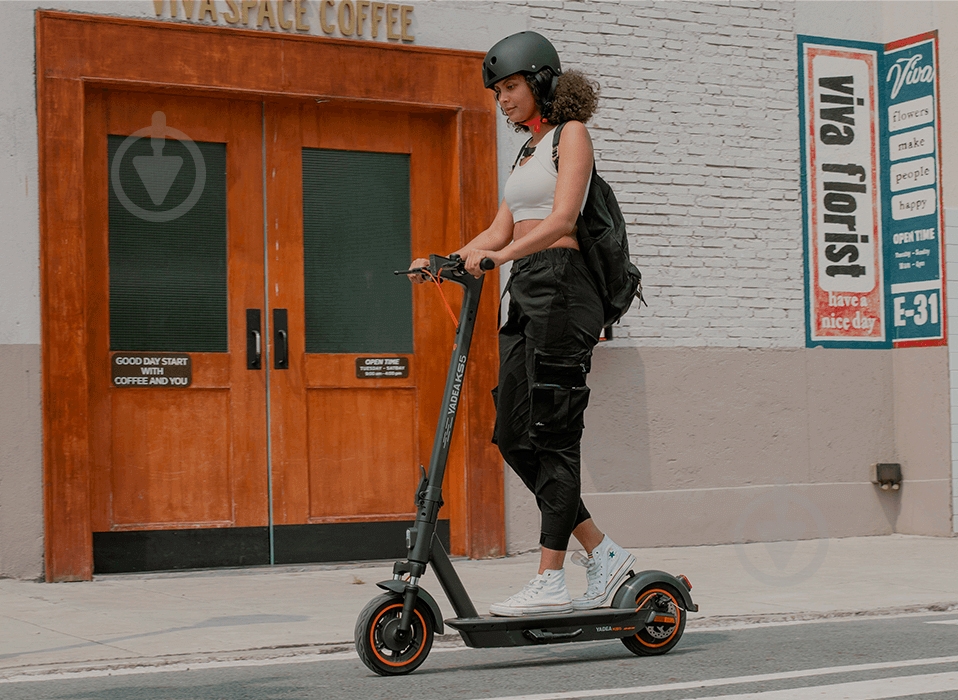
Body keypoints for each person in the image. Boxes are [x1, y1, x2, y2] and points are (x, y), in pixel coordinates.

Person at [410, 31, 634, 617]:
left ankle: (551, 578)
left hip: (564, 288)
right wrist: (447, 260)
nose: (501, 99)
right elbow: (498, 229)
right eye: (496, 91)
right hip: (527, 290)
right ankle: (602, 553)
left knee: (554, 436)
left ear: (540, 83)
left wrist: (498, 260)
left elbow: (562, 216)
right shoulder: (525, 152)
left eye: (509, 87)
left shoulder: (571, 136)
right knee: (512, 433)